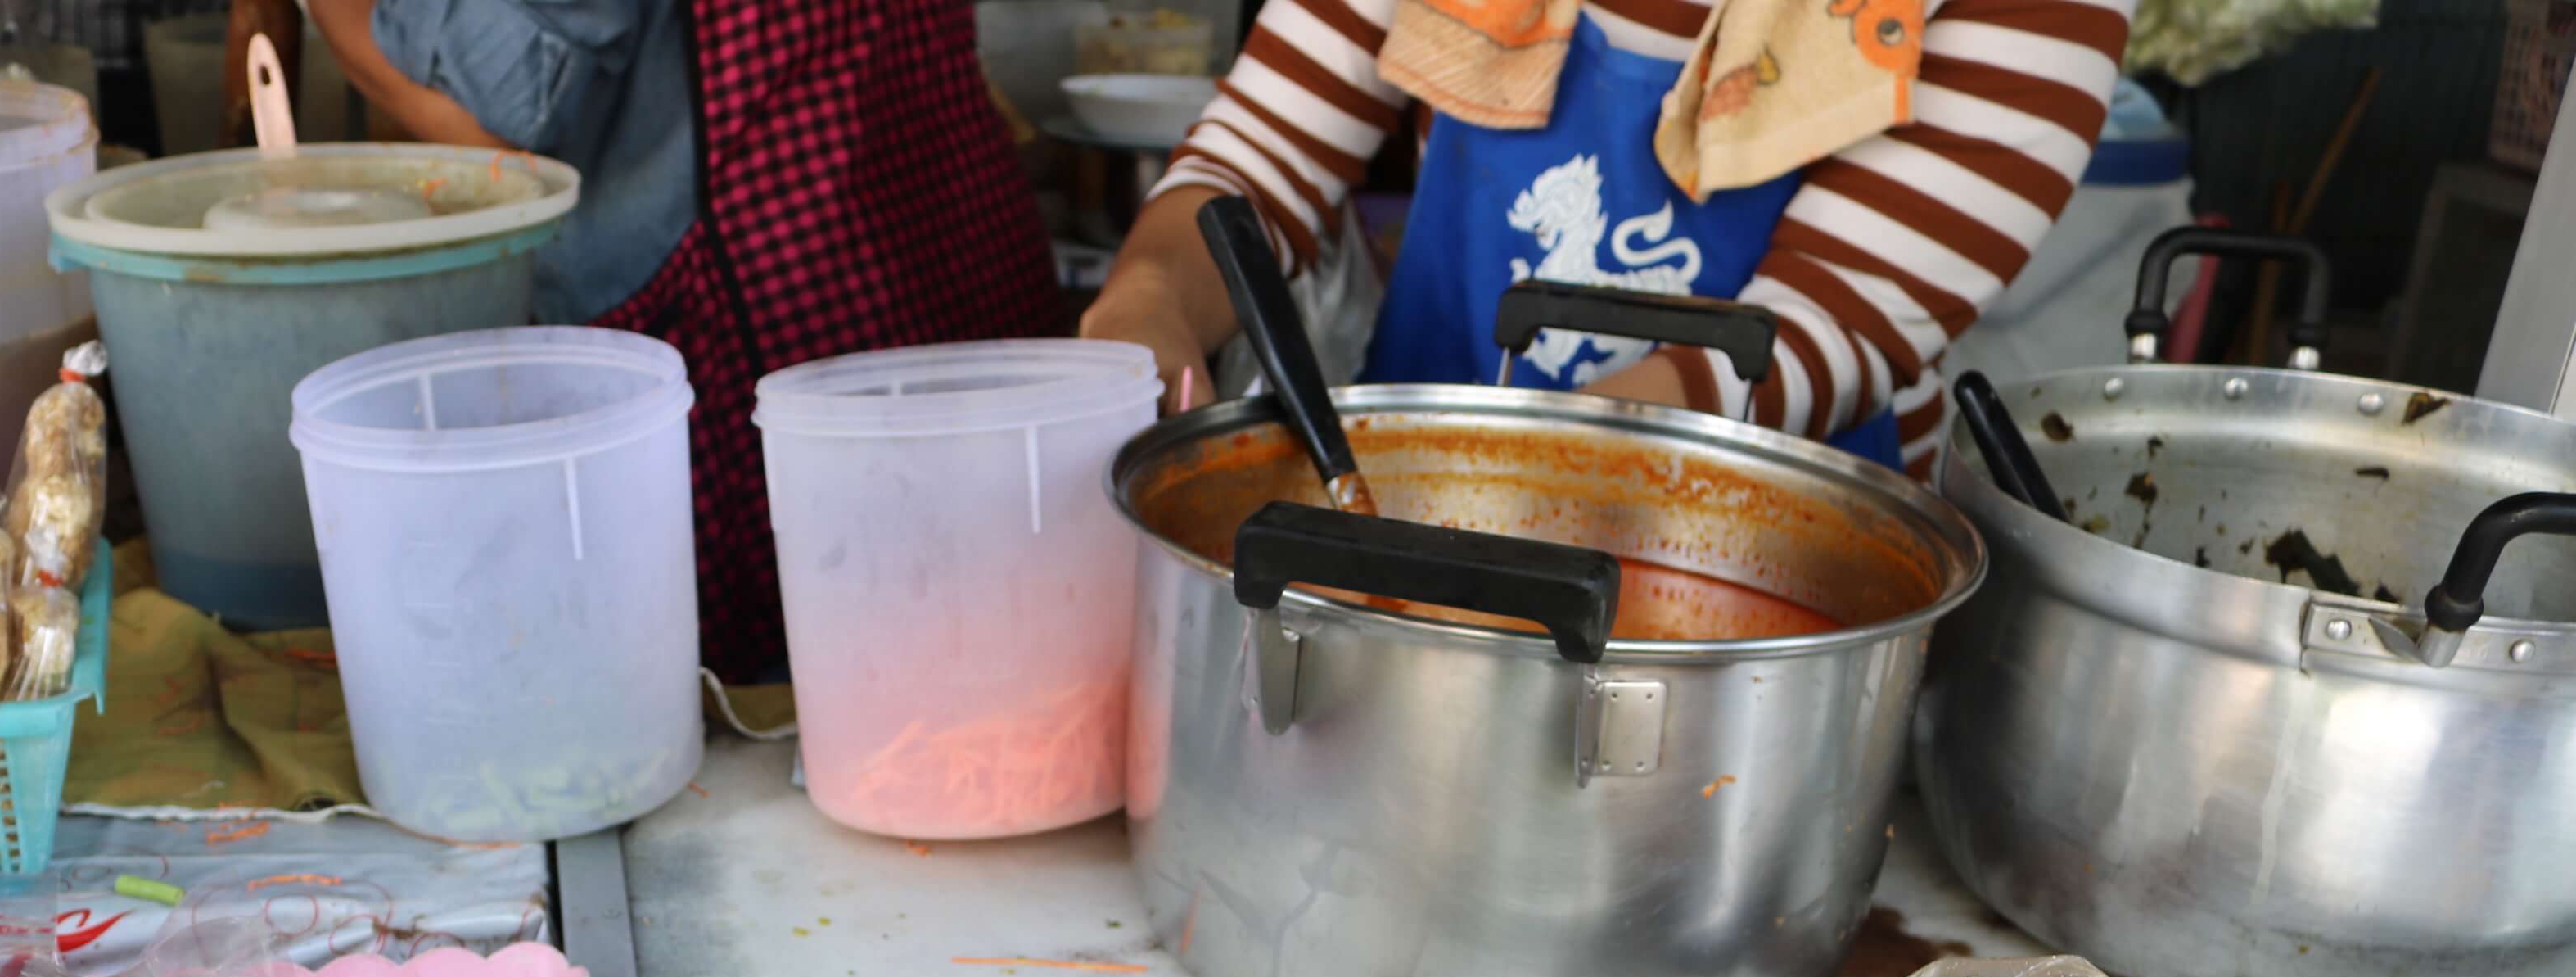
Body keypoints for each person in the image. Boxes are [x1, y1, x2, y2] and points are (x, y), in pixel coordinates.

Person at [274, 0, 1065, 676]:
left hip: (769, 339)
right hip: (947, 274)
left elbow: (507, 106)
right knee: (985, 676)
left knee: (797, 739)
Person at [1080, 0, 2135, 472]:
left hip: (1764, 613)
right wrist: (1144, 308)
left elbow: (1824, 332)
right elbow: (1252, 168)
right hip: (1389, 540)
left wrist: (1471, 495)